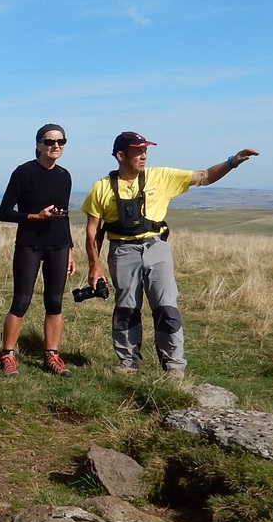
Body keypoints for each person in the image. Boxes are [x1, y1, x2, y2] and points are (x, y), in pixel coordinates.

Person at [83, 133, 259, 376]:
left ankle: (174, 366)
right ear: (120, 156)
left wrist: (232, 162)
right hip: (122, 250)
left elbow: (204, 176)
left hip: (156, 247)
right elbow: (93, 230)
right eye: (138, 151)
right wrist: (95, 266)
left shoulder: (161, 176)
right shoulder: (101, 187)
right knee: (126, 307)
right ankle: (128, 363)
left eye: (145, 150)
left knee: (166, 305)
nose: (144, 155)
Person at [0, 123, 76, 377]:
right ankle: (8, 354)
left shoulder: (64, 175)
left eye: (61, 141)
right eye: (50, 141)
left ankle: (52, 355)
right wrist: (35, 217)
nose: (56, 146)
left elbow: (64, 215)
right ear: (39, 145)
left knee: (55, 301)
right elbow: (4, 212)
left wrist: (70, 249)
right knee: (21, 300)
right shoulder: (24, 172)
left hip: (58, 245)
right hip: (29, 243)